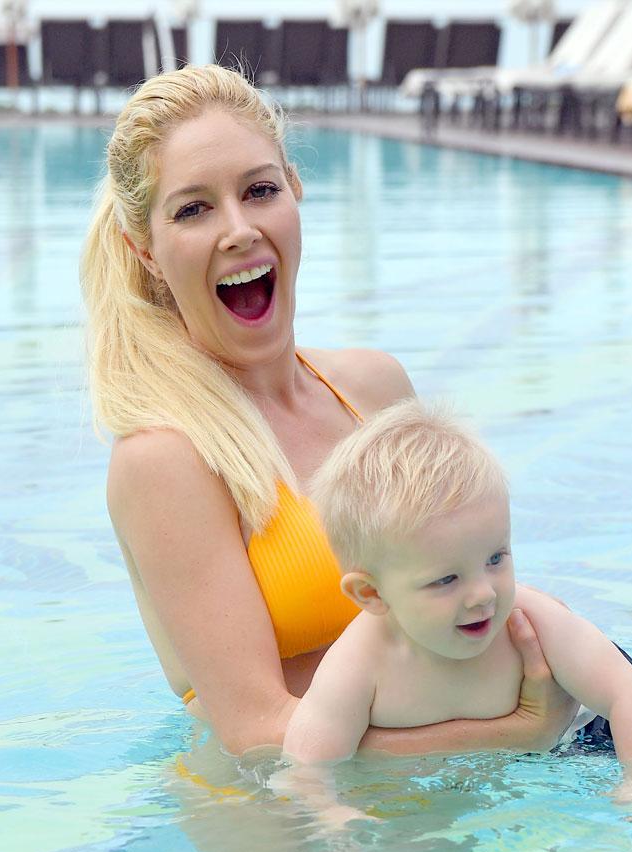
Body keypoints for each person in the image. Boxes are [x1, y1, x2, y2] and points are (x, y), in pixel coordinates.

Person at [80, 64, 578, 758]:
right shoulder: (165, 460)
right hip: (290, 834)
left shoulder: (374, 389)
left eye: (260, 191)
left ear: (295, 190)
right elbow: (256, 735)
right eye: (193, 209)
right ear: (147, 251)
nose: (238, 230)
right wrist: (518, 731)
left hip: (456, 800)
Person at [280, 400, 632, 810]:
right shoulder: (359, 666)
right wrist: (334, 823)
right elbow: (305, 770)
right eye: (446, 579)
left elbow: (627, 693)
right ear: (372, 594)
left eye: (496, 559)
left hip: (591, 732)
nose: (484, 594)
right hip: (497, 769)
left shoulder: (530, 621)